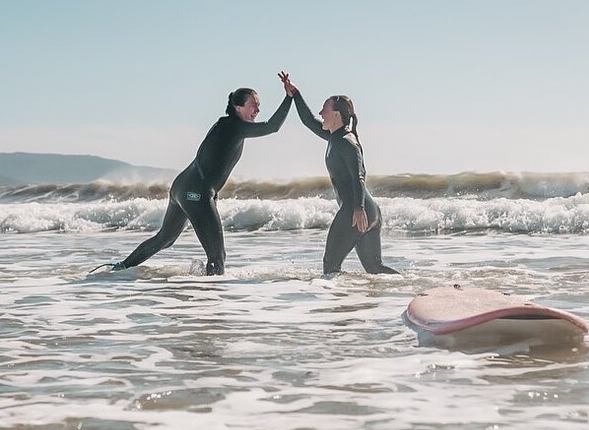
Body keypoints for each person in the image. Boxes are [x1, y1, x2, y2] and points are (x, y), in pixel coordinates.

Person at [92, 81, 293, 275]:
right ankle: (215, 300)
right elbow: (272, 126)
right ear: (237, 107)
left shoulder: (227, 125)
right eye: (253, 105)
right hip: (195, 191)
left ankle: (120, 268)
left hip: (184, 187)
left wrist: (212, 194)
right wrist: (289, 97)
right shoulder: (234, 126)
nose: (257, 110)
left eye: (259, 106)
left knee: (166, 238)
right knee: (217, 256)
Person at [278, 71, 398, 276]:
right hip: (369, 211)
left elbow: (359, 176)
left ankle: (336, 305)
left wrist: (358, 208)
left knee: (330, 266)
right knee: (374, 269)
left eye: (324, 109)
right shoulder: (334, 136)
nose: (320, 112)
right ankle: (410, 288)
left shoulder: (347, 142)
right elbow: (308, 120)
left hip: (356, 210)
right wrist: (294, 93)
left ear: (335, 114)